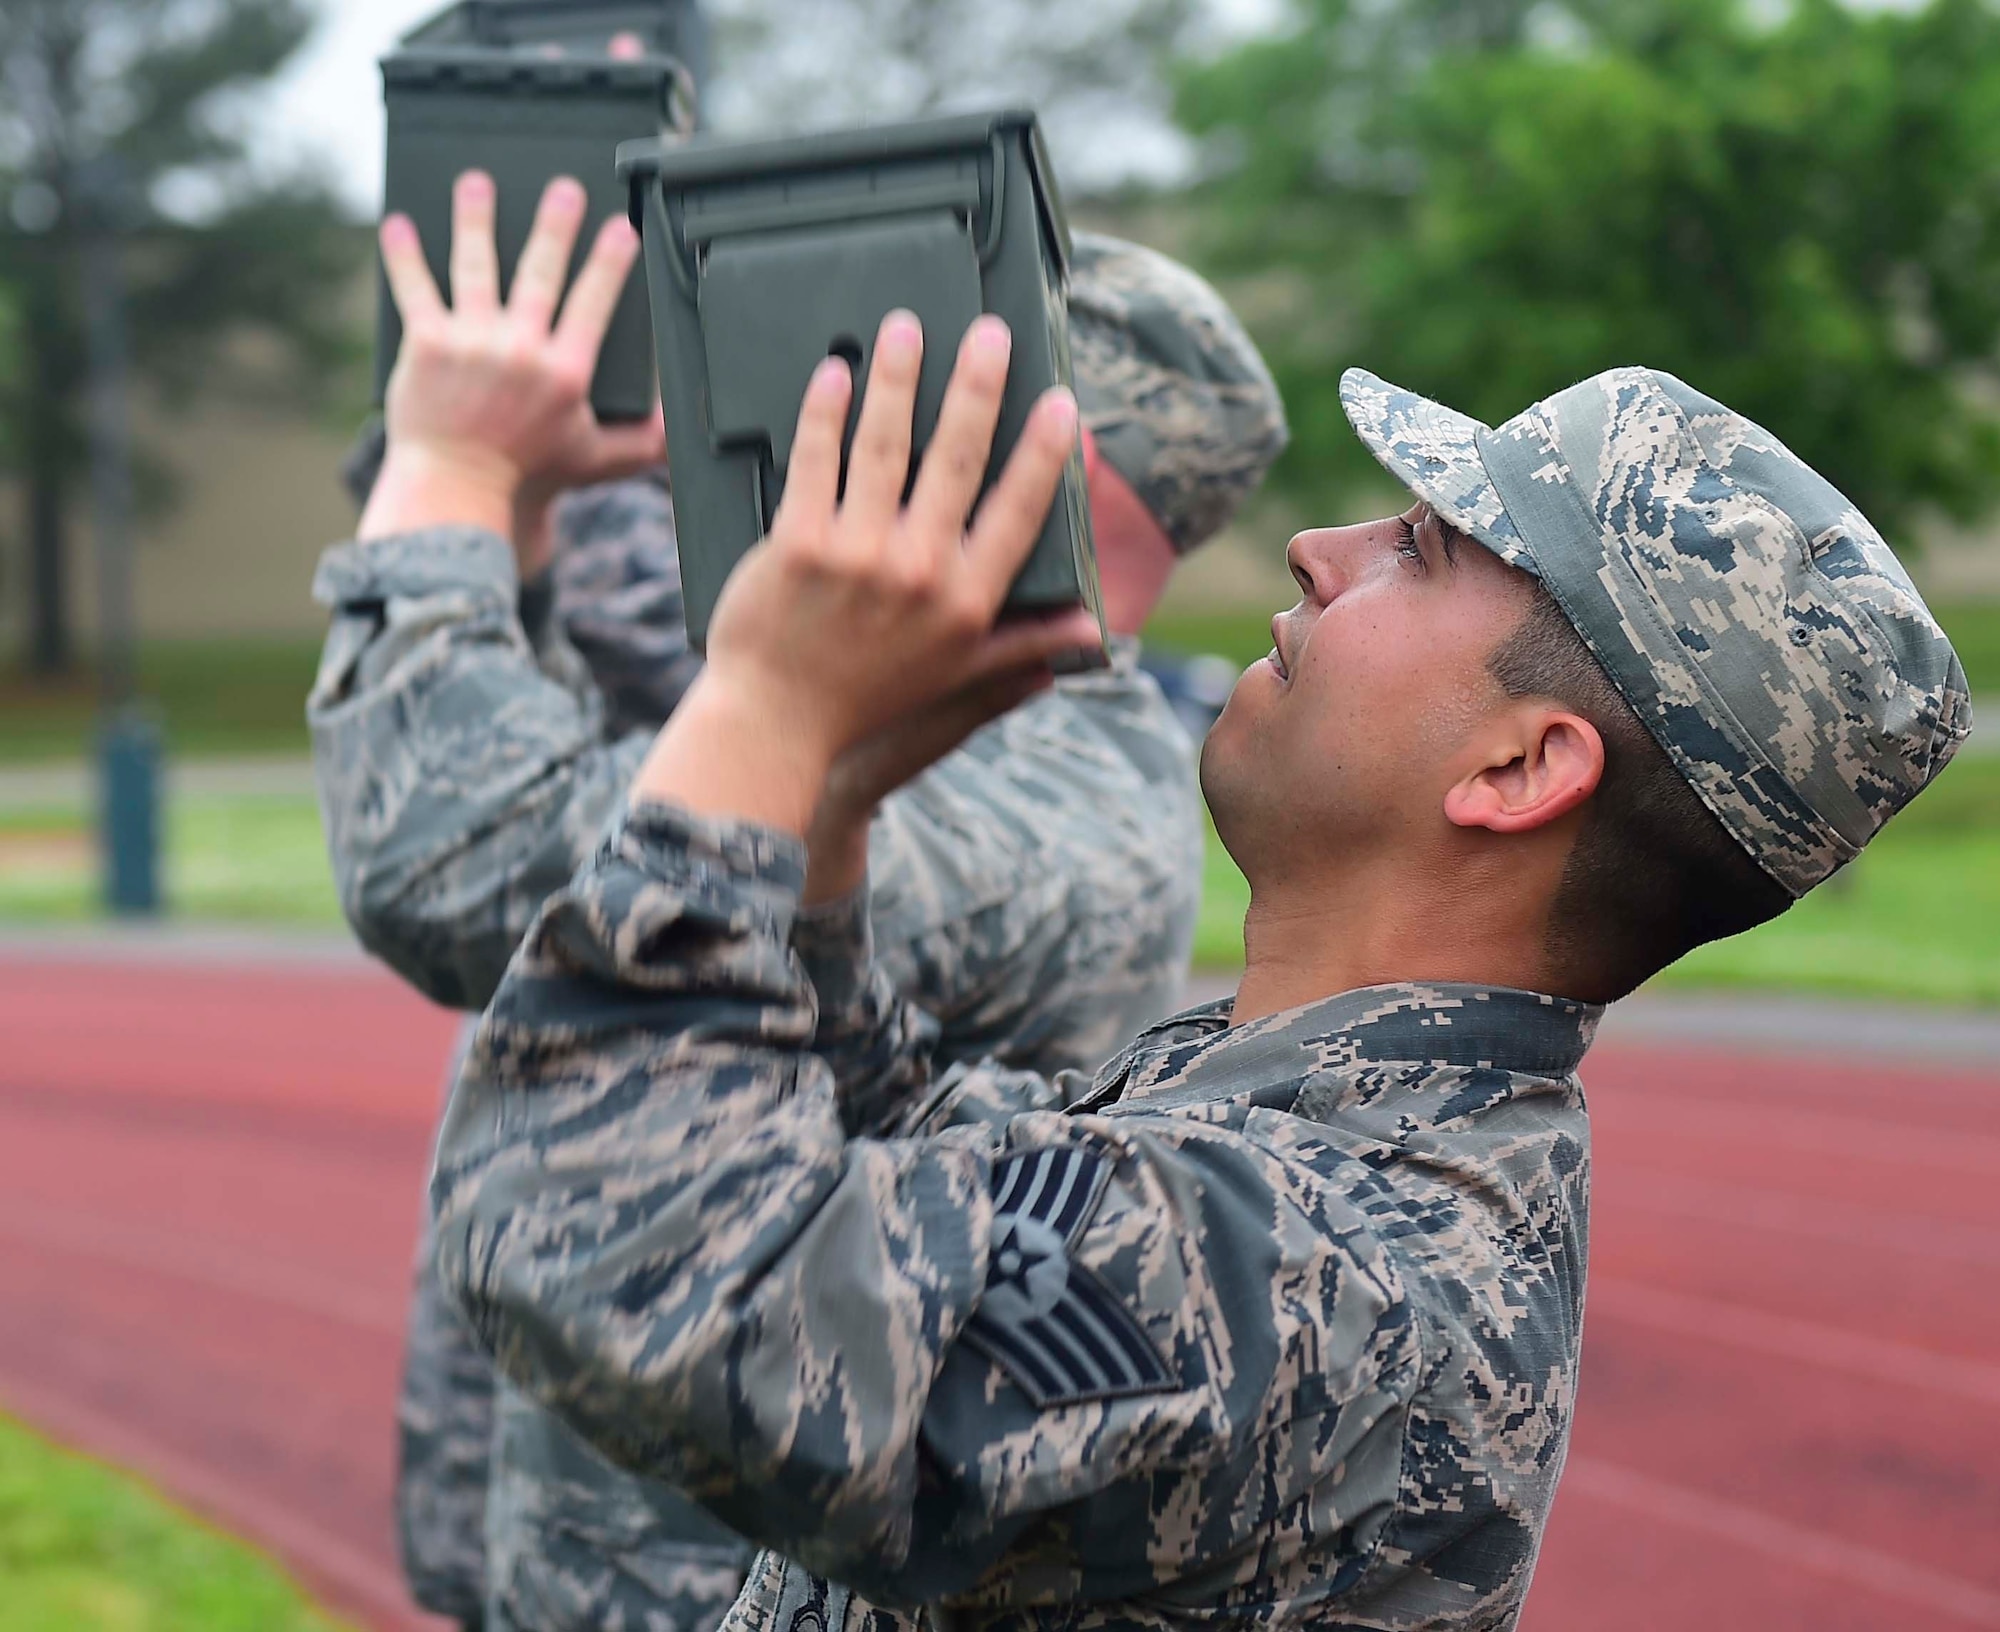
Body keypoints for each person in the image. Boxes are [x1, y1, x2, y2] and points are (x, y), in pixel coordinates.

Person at [423, 303, 1970, 1629]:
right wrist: (827, 810)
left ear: (1517, 769)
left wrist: (749, 695)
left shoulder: (1334, 1266)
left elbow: (604, 1252)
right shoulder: (1305, 1124)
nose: (1320, 547)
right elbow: (908, 1174)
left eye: (1420, 548)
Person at [311, 172, 1288, 1628]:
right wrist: (516, 524)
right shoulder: (960, 716)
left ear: (1020, 430)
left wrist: (445, 466)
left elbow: (472, 870)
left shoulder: (1035, 789)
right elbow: (619, 801)